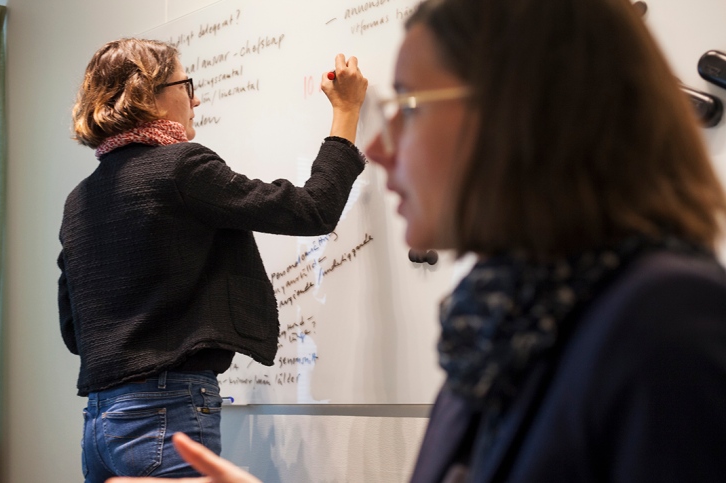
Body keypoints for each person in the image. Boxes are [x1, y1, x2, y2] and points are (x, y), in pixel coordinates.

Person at [105, 0, 726, 481]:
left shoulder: (666, 320)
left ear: (526, 113)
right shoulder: (495, 326)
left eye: (412, 105)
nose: (377, 145)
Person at [58, 37, 367, 481]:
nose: (196, 97)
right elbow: (313, 210)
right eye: (186, 84)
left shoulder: (79, 199)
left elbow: (75, 331)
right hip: (167, 417)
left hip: (100, 425)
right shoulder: (181, 167)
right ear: (148, 93)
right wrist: (347, 112)